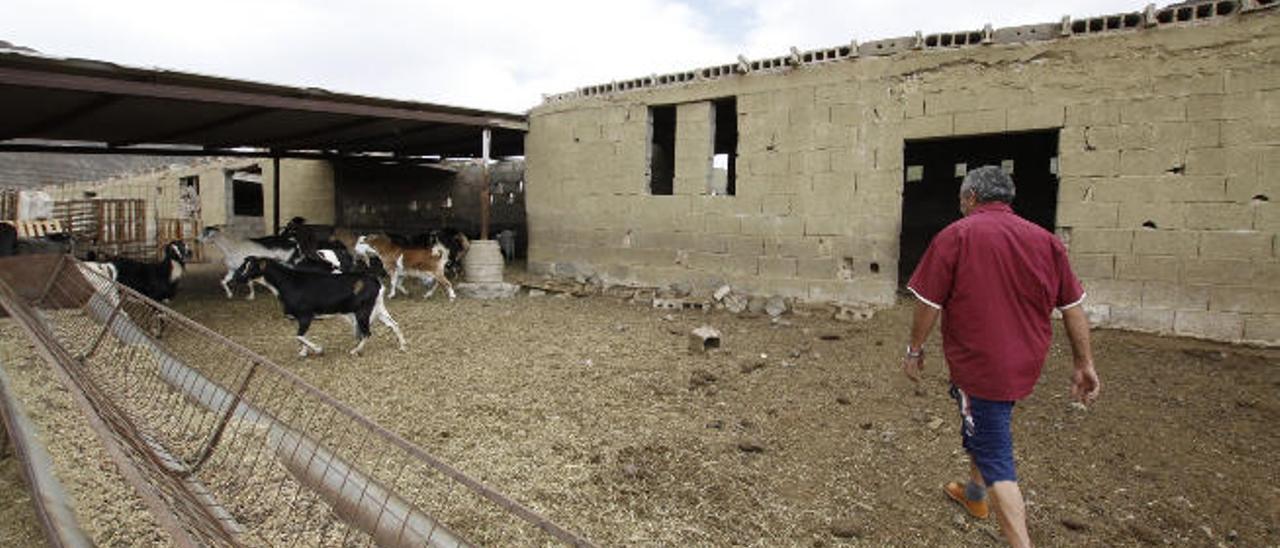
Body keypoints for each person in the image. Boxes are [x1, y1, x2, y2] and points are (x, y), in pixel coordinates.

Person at [901, 166, 1100, 547]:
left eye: (962, 198)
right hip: (1022, 365)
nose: (961, 204)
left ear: (971, 198)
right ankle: (975, 497)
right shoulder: (1045, 240)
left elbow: (927, 303)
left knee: (996, 456)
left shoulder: (956, 235)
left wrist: (914, 349)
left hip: (982, 368)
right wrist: (1083, 363)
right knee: (978, 420)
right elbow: (1073, 307)